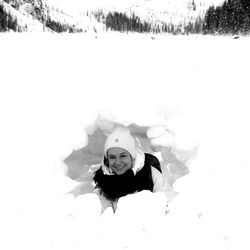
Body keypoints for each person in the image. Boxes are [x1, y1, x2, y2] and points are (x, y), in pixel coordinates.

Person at [93, 126, 174, 212]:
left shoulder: (150, 174)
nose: (117, 162)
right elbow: (103, 217)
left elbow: (171, 202)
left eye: (123, 156)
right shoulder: (104, 182)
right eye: (112, 157)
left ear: (132, 156)